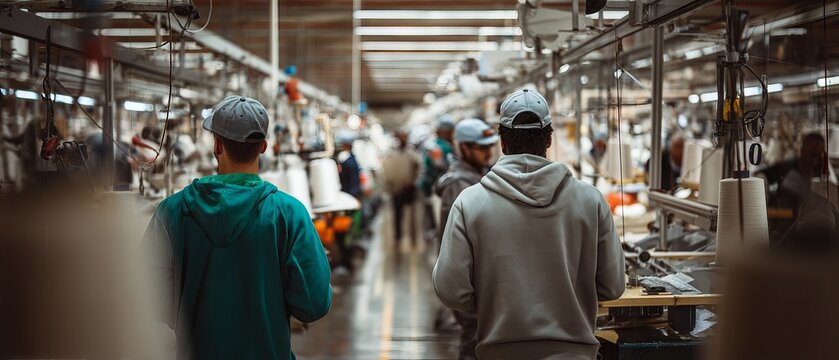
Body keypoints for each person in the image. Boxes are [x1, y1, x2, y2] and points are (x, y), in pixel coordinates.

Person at [433, 89, 626, 359]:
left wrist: (494, 298)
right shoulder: (591, 201)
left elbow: (451, 290)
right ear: (548, 137)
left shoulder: (470, 203)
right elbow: (613, 286)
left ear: (501, 140)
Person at [144, 95, 332, 359]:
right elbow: (314, 304)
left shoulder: (172, 211)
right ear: (264, 147)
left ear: (217, 144)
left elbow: (147, 293)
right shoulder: (289, 214)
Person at [432, 119, 499, 360]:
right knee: (473, 344)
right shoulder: (459, 184)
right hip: (472, 285)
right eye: (481, 148)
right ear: (464, 148)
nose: (487, 153)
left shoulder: (478, 176)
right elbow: (454, 244)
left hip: (483, 281)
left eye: (489, 147)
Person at [758, 132, 839, 248]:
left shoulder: (818, 167)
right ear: (802, 150)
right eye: (812, 154)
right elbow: (762, 175)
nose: (815, 160)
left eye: (819, 155)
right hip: (785, 222)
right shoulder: (788, 168)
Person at [382, 132, 419, 244]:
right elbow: (386, 170)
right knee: (397, 214)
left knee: (411, 214)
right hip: (395, 189)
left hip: (408, 188)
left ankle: (413, 237)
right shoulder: (390, 154)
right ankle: (397, 236)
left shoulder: (411, 154)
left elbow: (418, 168)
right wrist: (390, 186)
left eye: (404, 138)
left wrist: (412, 181)